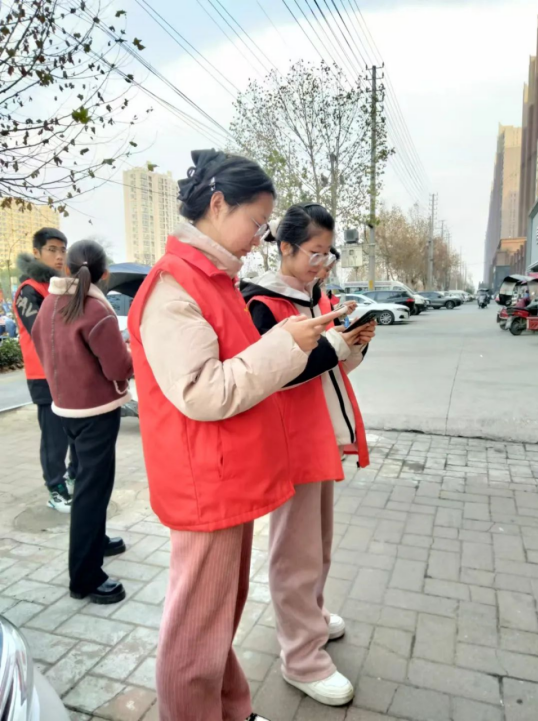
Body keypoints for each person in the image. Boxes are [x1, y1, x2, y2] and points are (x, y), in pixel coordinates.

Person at [127, 149, 341, 721]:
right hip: (205, 483)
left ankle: (230, 709)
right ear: (218, 205)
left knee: (216, 616)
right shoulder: (174, 286)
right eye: (257, 222)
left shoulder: (212, 279)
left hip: (226, 477)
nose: (259, 238)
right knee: (195, 632)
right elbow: (202, 392)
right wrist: (285, 345)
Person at [241, 203, 374, 707]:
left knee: (317, 545)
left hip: (319, 436)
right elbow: (274, 376)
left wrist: (355, 344)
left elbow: (330, 370)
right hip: (288, 441)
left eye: (328, 254)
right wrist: (335, 346)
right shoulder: (262, 302)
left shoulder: (317, 297)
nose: (322, 263)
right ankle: (301, 658)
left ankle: (311, 619)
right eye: (314, 253)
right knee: (294, 554)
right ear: (285, 247)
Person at [32, 240, 133, 605]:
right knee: (93, 490)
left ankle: (96, 541)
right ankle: (85, 577)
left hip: (65, 408)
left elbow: (41, 345)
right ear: (104, 275)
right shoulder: (97, 310)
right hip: (96, 412)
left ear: (67, 269)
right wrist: (131, 353)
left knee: (90, 485)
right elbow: (117, 368)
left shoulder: (50, 303)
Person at [14, 229, 77, 512]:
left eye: (63, 249)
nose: (59, 256)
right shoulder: (29, 290)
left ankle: (73, 475)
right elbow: (44, 331)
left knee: (75, 430)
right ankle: (55, 489)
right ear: (37, 252)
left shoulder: (61, 285)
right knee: (55, 437)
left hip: (69, 372)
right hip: (44, 375)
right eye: (52, 249)